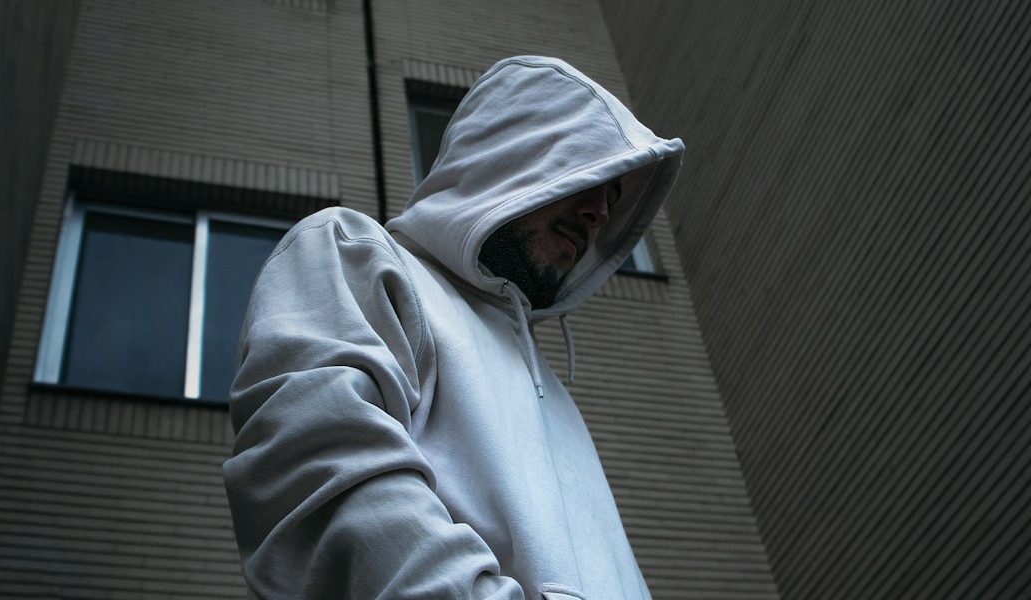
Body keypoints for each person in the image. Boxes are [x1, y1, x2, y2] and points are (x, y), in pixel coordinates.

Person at [222, 55, 684, 599]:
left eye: (614, 196)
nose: (600, 212)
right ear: (513, 151)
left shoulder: (552, 391)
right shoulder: (358, 255)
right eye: (591, 175)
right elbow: (320, 468)